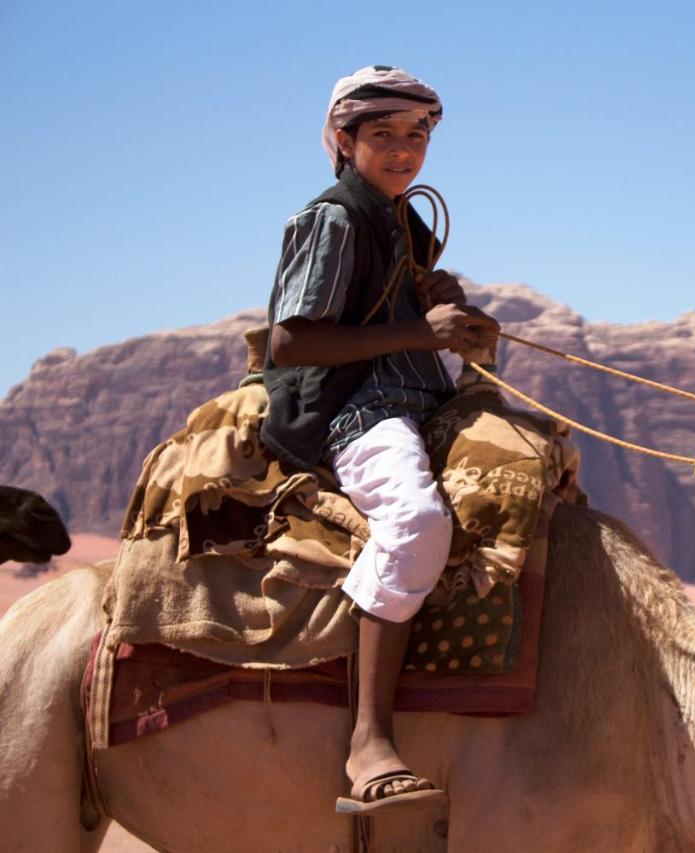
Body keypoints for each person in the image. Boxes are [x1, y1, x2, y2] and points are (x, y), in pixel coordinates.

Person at [260, 65, 500, 814]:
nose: (404, 150)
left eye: (417, 135)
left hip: (421, 396)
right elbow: (290, 340)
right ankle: (369, 739)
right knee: (418, 524)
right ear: (343, 139)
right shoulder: (333, 217)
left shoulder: (400, 217)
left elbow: (409, 299)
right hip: (354, 412)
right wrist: (416, 330)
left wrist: (449, 304)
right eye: (384, 134)